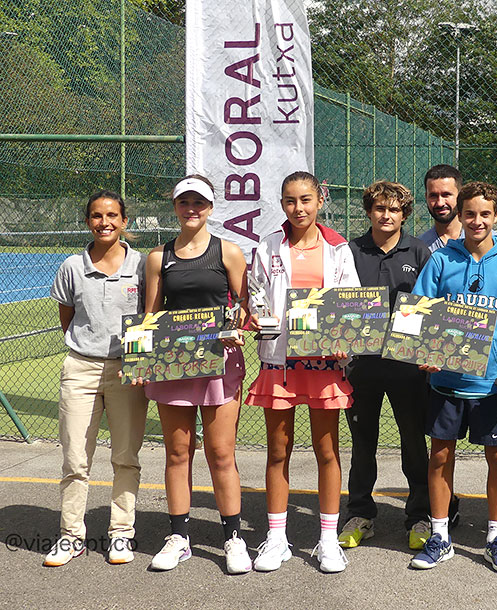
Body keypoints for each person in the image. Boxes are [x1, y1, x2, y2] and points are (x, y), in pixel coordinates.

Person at [409, 181, 497, 573]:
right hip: (447, 381)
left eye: (485, 214)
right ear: (459, 217)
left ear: (496, 216)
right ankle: (441, 536)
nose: (477, 221)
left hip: (493, 381)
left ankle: (495, 536)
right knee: (440, 456)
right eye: (470, 214)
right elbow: (417, 313)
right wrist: (423, 354)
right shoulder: (441, 260)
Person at [245, 171, 360, 573]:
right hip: (279, 363)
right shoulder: (268, 246)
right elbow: (255, 294)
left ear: (320, 200)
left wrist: (345, 337)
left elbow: (349, 305)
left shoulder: (339, 248)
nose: (299, 208)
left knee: (326, 451)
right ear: (282, 204)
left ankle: (328, 540)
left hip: (324, 365)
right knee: (278, 450)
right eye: (291, 201)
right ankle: (277, 538)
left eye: (306, 199)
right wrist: (257, 317)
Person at [144, 175, 251, 574]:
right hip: (173, 366)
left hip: (219, 366)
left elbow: (243, 306)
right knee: (177, 453)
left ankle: (234, 538)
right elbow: (151, 317)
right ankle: (179, 537)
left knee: (221, 453)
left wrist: (239, 326)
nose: (192, 208)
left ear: (210, 207)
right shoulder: (158, 257)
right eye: (184, 202)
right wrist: (141, 361)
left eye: (199, 202)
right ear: (175, 206)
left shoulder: (229, 252)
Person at [43, 190, 149, 567]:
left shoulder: (143, 265)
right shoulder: (72, 266)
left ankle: (121, 534)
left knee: (125, 456)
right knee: (75, 458)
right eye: (96, 216)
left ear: (125, 221)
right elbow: (67, 316)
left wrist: (134, 363)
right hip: (80, 368)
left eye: (112, 215)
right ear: (87, 221)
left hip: (128, 370)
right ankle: (71, 536)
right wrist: (87, 348)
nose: (104, 222)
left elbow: (150, 319)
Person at [339, 181, 432, 551]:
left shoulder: (420, 250)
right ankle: (361, 513)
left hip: (407, 364)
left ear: (404, 214)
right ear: (369, 211)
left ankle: (420, 515)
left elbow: (429, 304)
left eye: (394, 210)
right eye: (380, 208)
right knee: (363, 443)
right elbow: (341, 303)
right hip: (363, 364)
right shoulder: (350, 251)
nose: (386, 215)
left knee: (413, 441)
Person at [418, 164, 463, 253]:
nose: (440, 203)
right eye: (433, 196)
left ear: (460, 195)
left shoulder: (485, 241)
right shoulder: (420, 248)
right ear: (426, 197)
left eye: (446, 195)